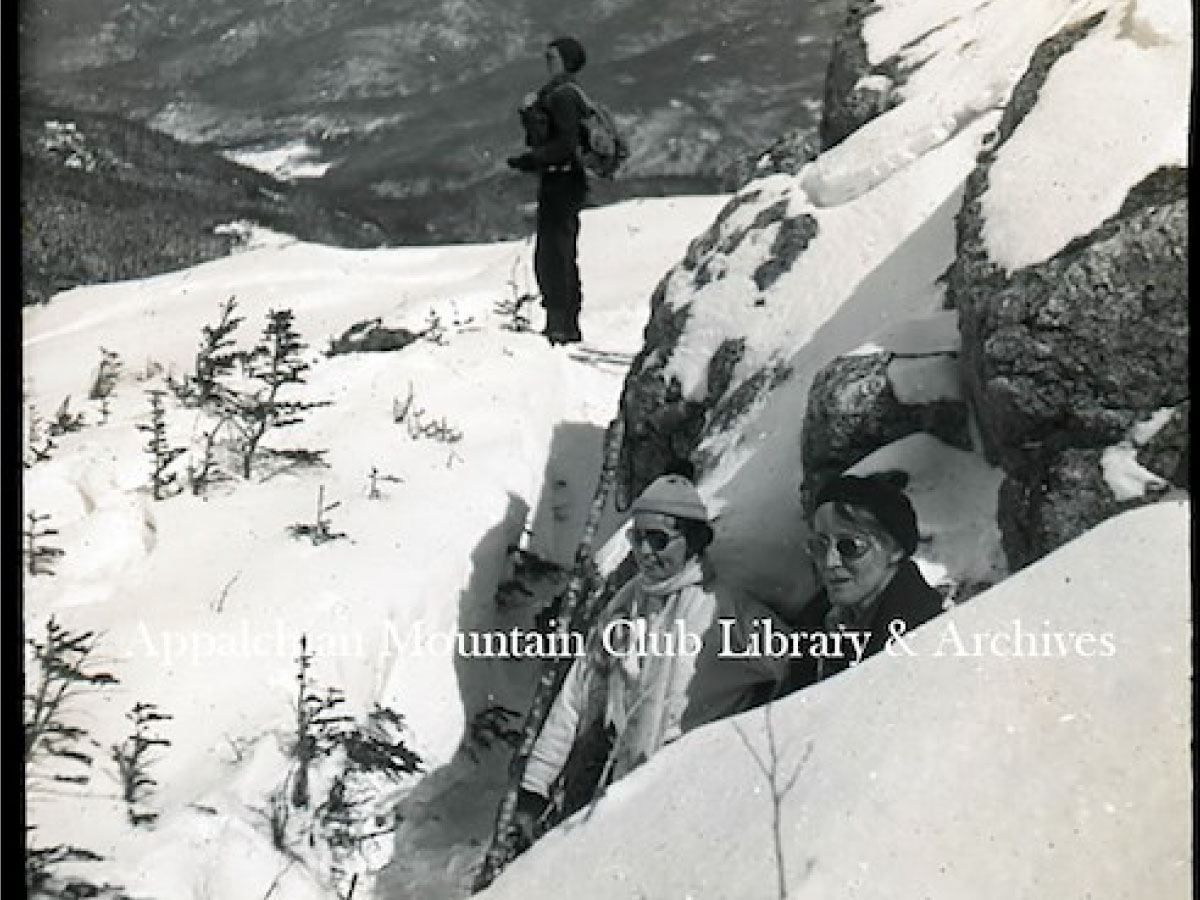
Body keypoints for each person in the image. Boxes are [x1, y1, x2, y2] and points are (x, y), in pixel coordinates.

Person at [511, 473, 789, 847]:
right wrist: (535, 786)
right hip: (611, 791)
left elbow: (793, 669)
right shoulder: (625, 605)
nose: (645, 551)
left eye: (658, 539)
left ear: (691, 541)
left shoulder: (722, 609)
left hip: (685, 802)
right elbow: (577, 694)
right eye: (637, 538)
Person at [780, 472, 946, 695]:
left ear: (895, 549)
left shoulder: (925, 637)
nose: (830, 562)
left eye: (850, 546)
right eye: (820, 545)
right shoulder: (817, 623)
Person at [506, 36, 590, 345]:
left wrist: (532, 160)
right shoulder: (561, 94)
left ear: (565, 60)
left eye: (552, 57)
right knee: (557, 252)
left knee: (555, 254)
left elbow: (564, 144)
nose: (547, 61)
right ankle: (563, 322)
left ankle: (562, 325)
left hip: (562, 181)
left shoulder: (562, 97)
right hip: (563, 181)